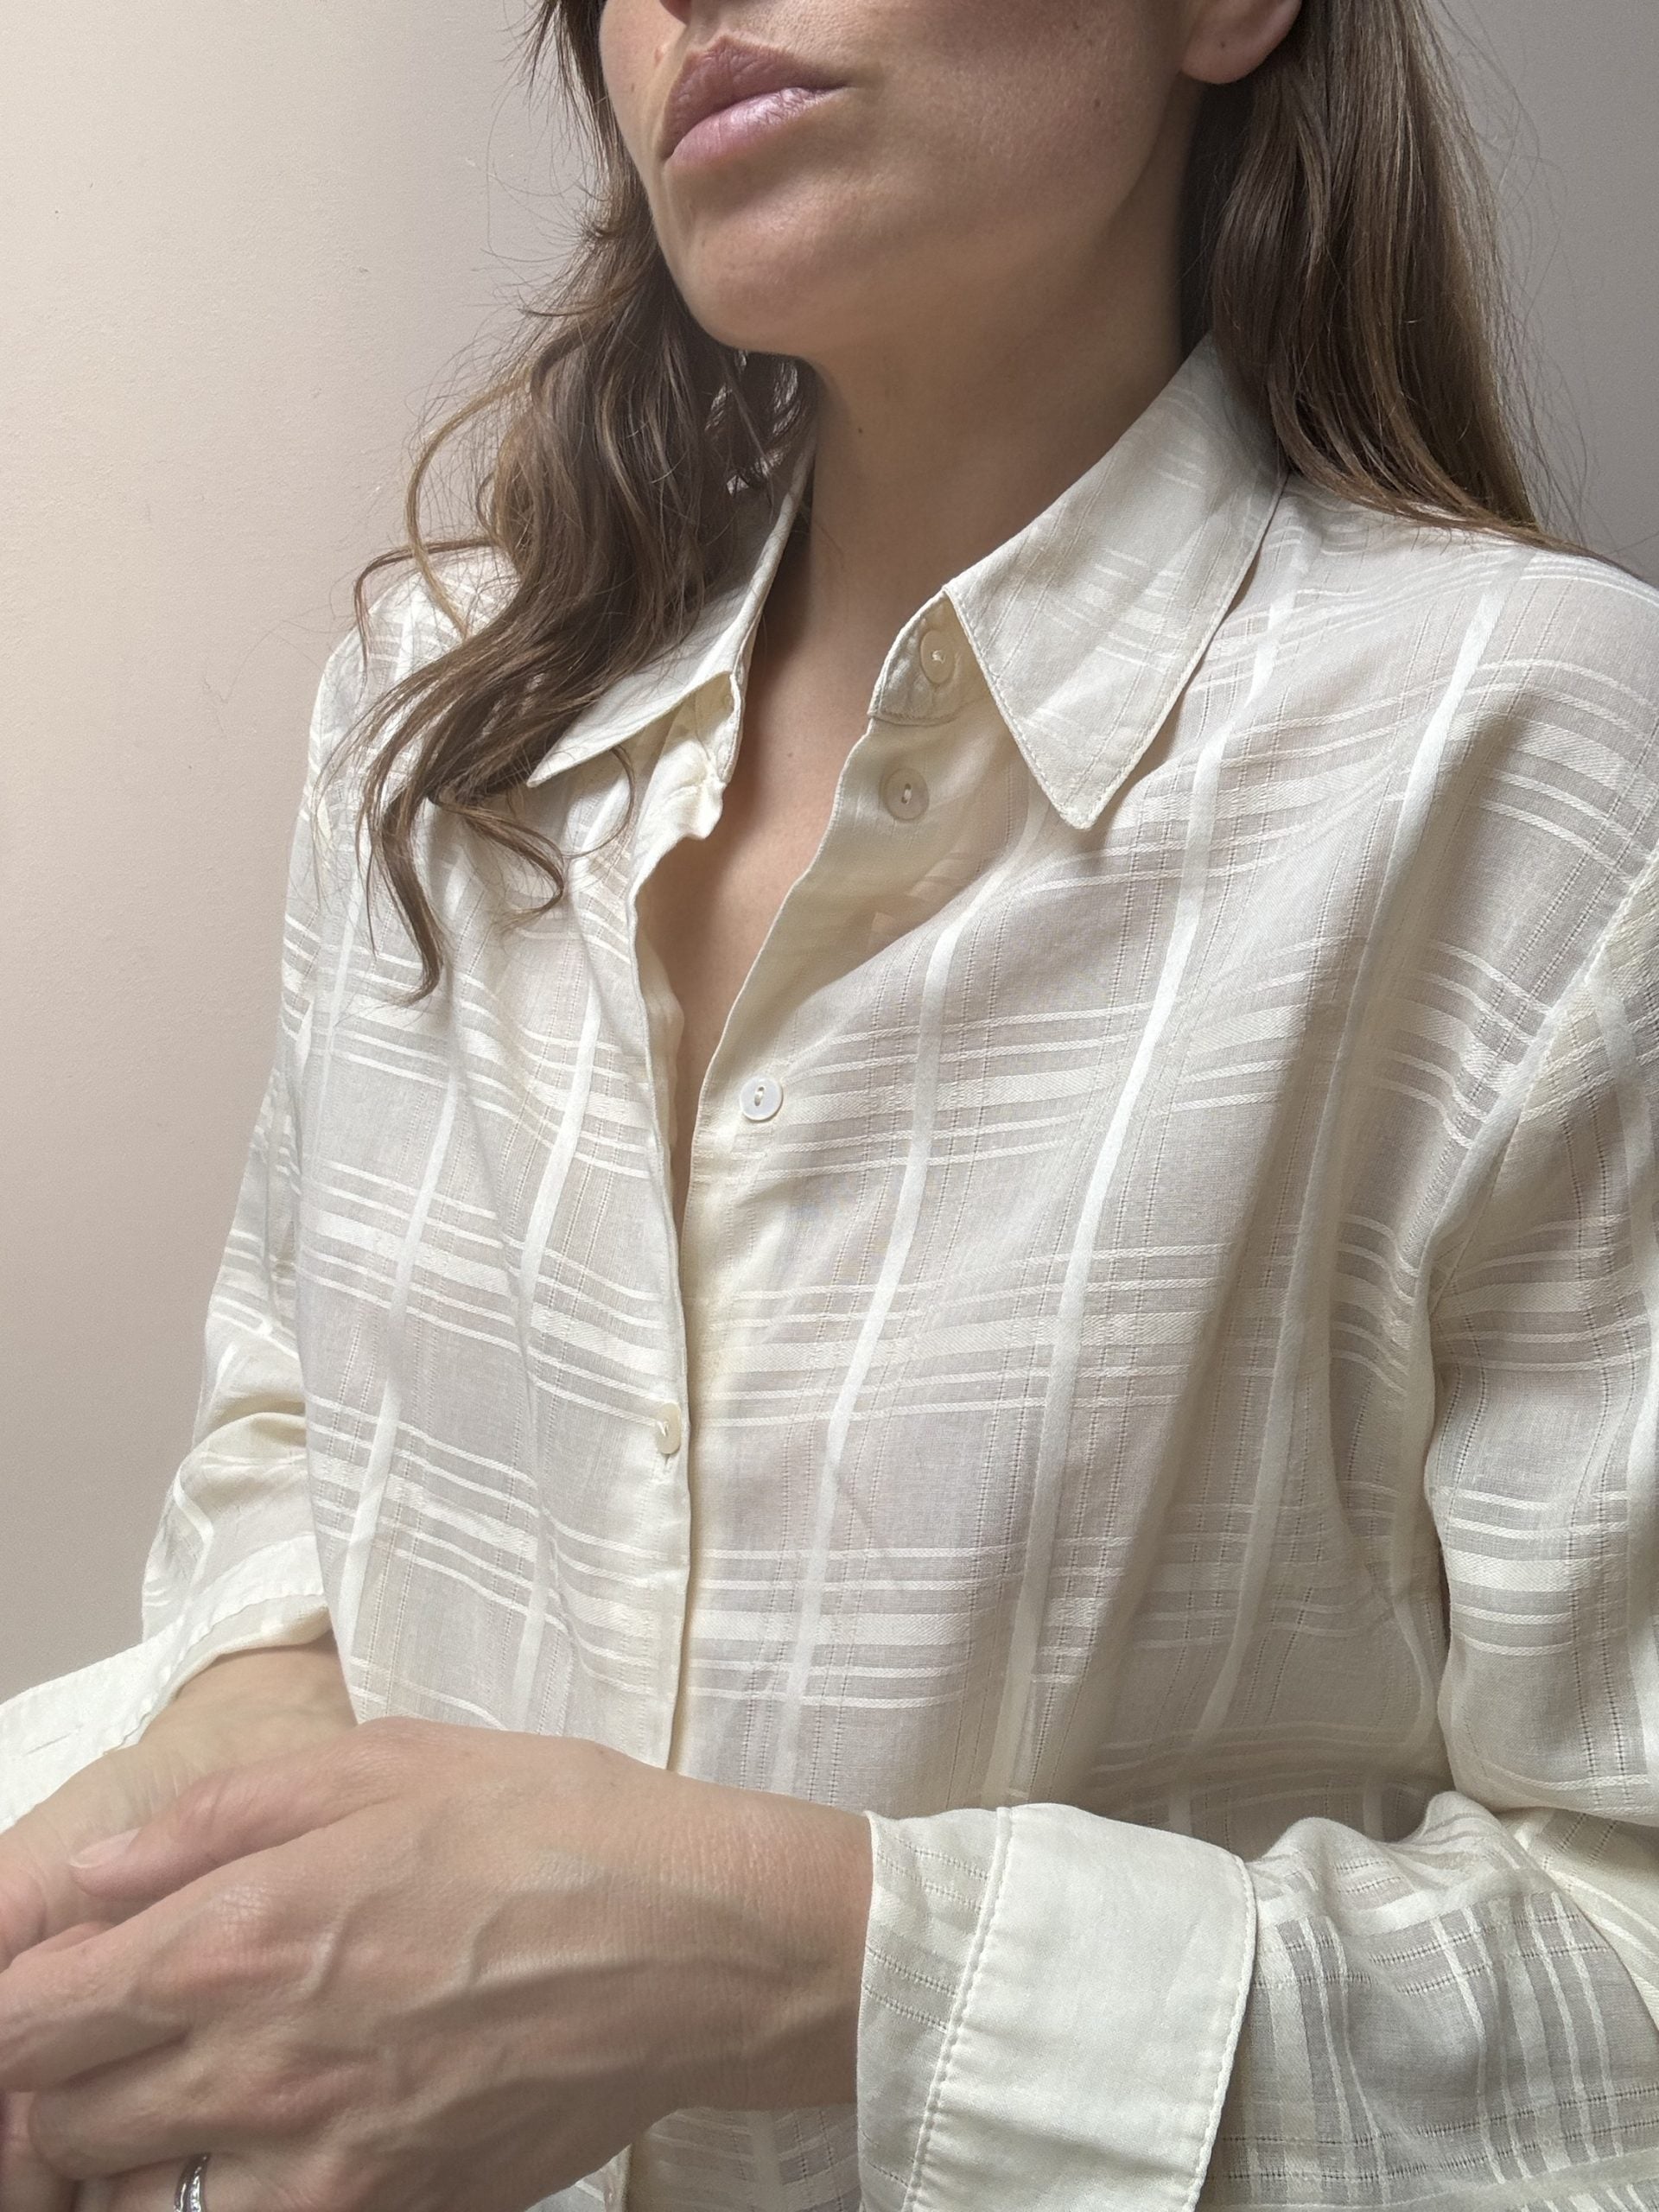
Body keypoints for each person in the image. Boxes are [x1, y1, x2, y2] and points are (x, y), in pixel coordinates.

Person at [3, 0, 1659, 2205]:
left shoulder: (1541, 777)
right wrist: (231, 1750)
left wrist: (799, 1962)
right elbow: (297, 1415)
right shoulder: (427, 709)